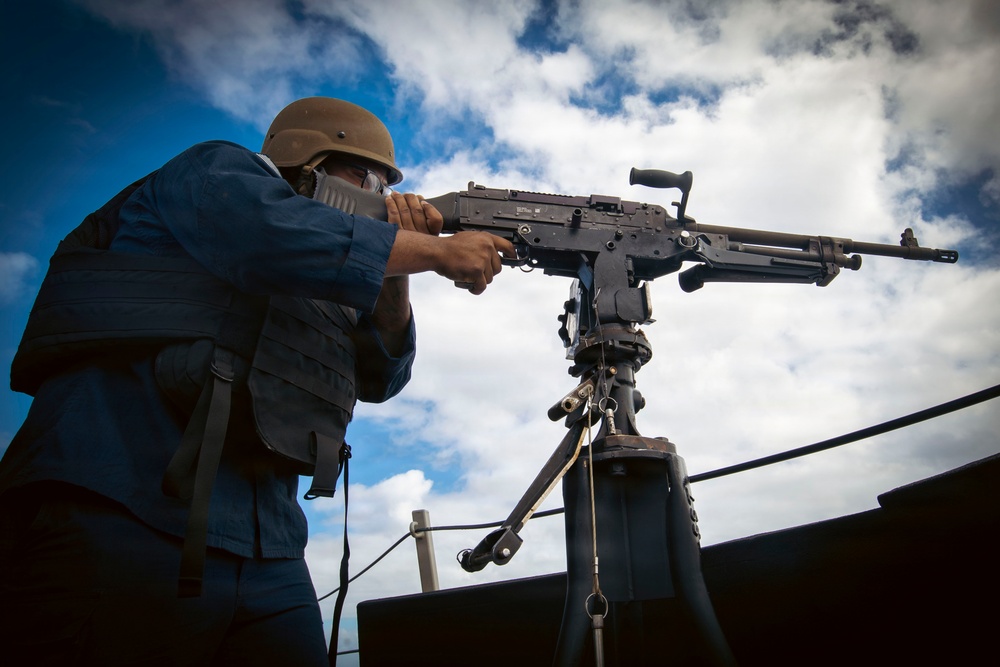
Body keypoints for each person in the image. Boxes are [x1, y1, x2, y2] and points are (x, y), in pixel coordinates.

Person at [0, 97, 515, 665]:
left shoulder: (326, 269)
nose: (378, 193)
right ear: (308, 159)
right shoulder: (216, 170)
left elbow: (382, 376)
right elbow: (269, 233)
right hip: (118, 507)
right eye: (364, 176)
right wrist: (438, 252)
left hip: (269, 545)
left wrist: (402, 272)